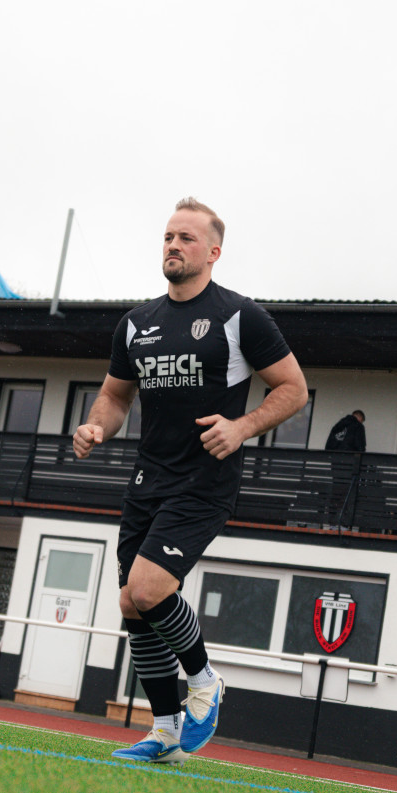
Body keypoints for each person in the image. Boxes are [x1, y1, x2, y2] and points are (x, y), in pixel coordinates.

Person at [73, 197, 308, 763]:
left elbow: (293, 389)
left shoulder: (239, 315)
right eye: (167, 237)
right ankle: (166, 732)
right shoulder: (136, 323)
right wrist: (95, 427)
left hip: (204, 480)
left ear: (213, 252)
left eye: (186, 238)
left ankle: (205, 682)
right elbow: (113, 395)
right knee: (132, 604)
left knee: (151, 589)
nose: (173, 245)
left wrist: (243, 426)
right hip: (147, 479)